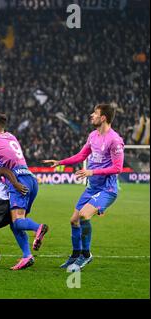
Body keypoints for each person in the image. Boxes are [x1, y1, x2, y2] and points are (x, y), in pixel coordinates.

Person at [43, 103, 124, 270]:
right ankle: (75, 255)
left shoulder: (115, 140)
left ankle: (86, 256)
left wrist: (91, 172)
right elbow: (81, 155)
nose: (91, 115)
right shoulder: (93, 135)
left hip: (107, 189)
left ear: (103, 118)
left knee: (84, 216)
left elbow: (118, 168)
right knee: (74, 220)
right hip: (92, 188)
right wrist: (60, 162)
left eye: (95, 113)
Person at [0, 113, 49, 270]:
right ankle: (27, 256)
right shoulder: (11, 137)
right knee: (15, 223)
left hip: (18, 180)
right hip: (30, 178)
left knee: (18, 221)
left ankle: (38, 228)